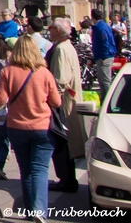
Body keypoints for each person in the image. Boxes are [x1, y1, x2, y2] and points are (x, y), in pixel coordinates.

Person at [0, 34, 60, 220]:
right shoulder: (45, 73)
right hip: (42, 127)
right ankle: (39, 211)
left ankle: (31, 211)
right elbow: (56, 102)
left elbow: (0, 100)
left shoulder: (8, 71)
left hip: (17, 128)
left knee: (26, 170)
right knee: (39, 169)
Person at [45, 17, 82, 194]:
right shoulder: (67, 47)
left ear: (57, 31)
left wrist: (52, 101)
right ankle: (67, 178)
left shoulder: (61, 49)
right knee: (65, 143)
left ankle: (66, 179)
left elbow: (60, 80)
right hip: (68, 101)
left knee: (62, 142)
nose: (49, 30)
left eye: (51, 27)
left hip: (63, 103)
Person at [92, 7, 118, 92]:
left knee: (105, 81)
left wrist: (103, 57)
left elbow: (105, 42)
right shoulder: (102, 26)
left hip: (104, 57)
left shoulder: (100, 27)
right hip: (103, 56)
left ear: (92, 17)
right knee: (102, 81)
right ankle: (104, 101)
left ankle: (109, 101)